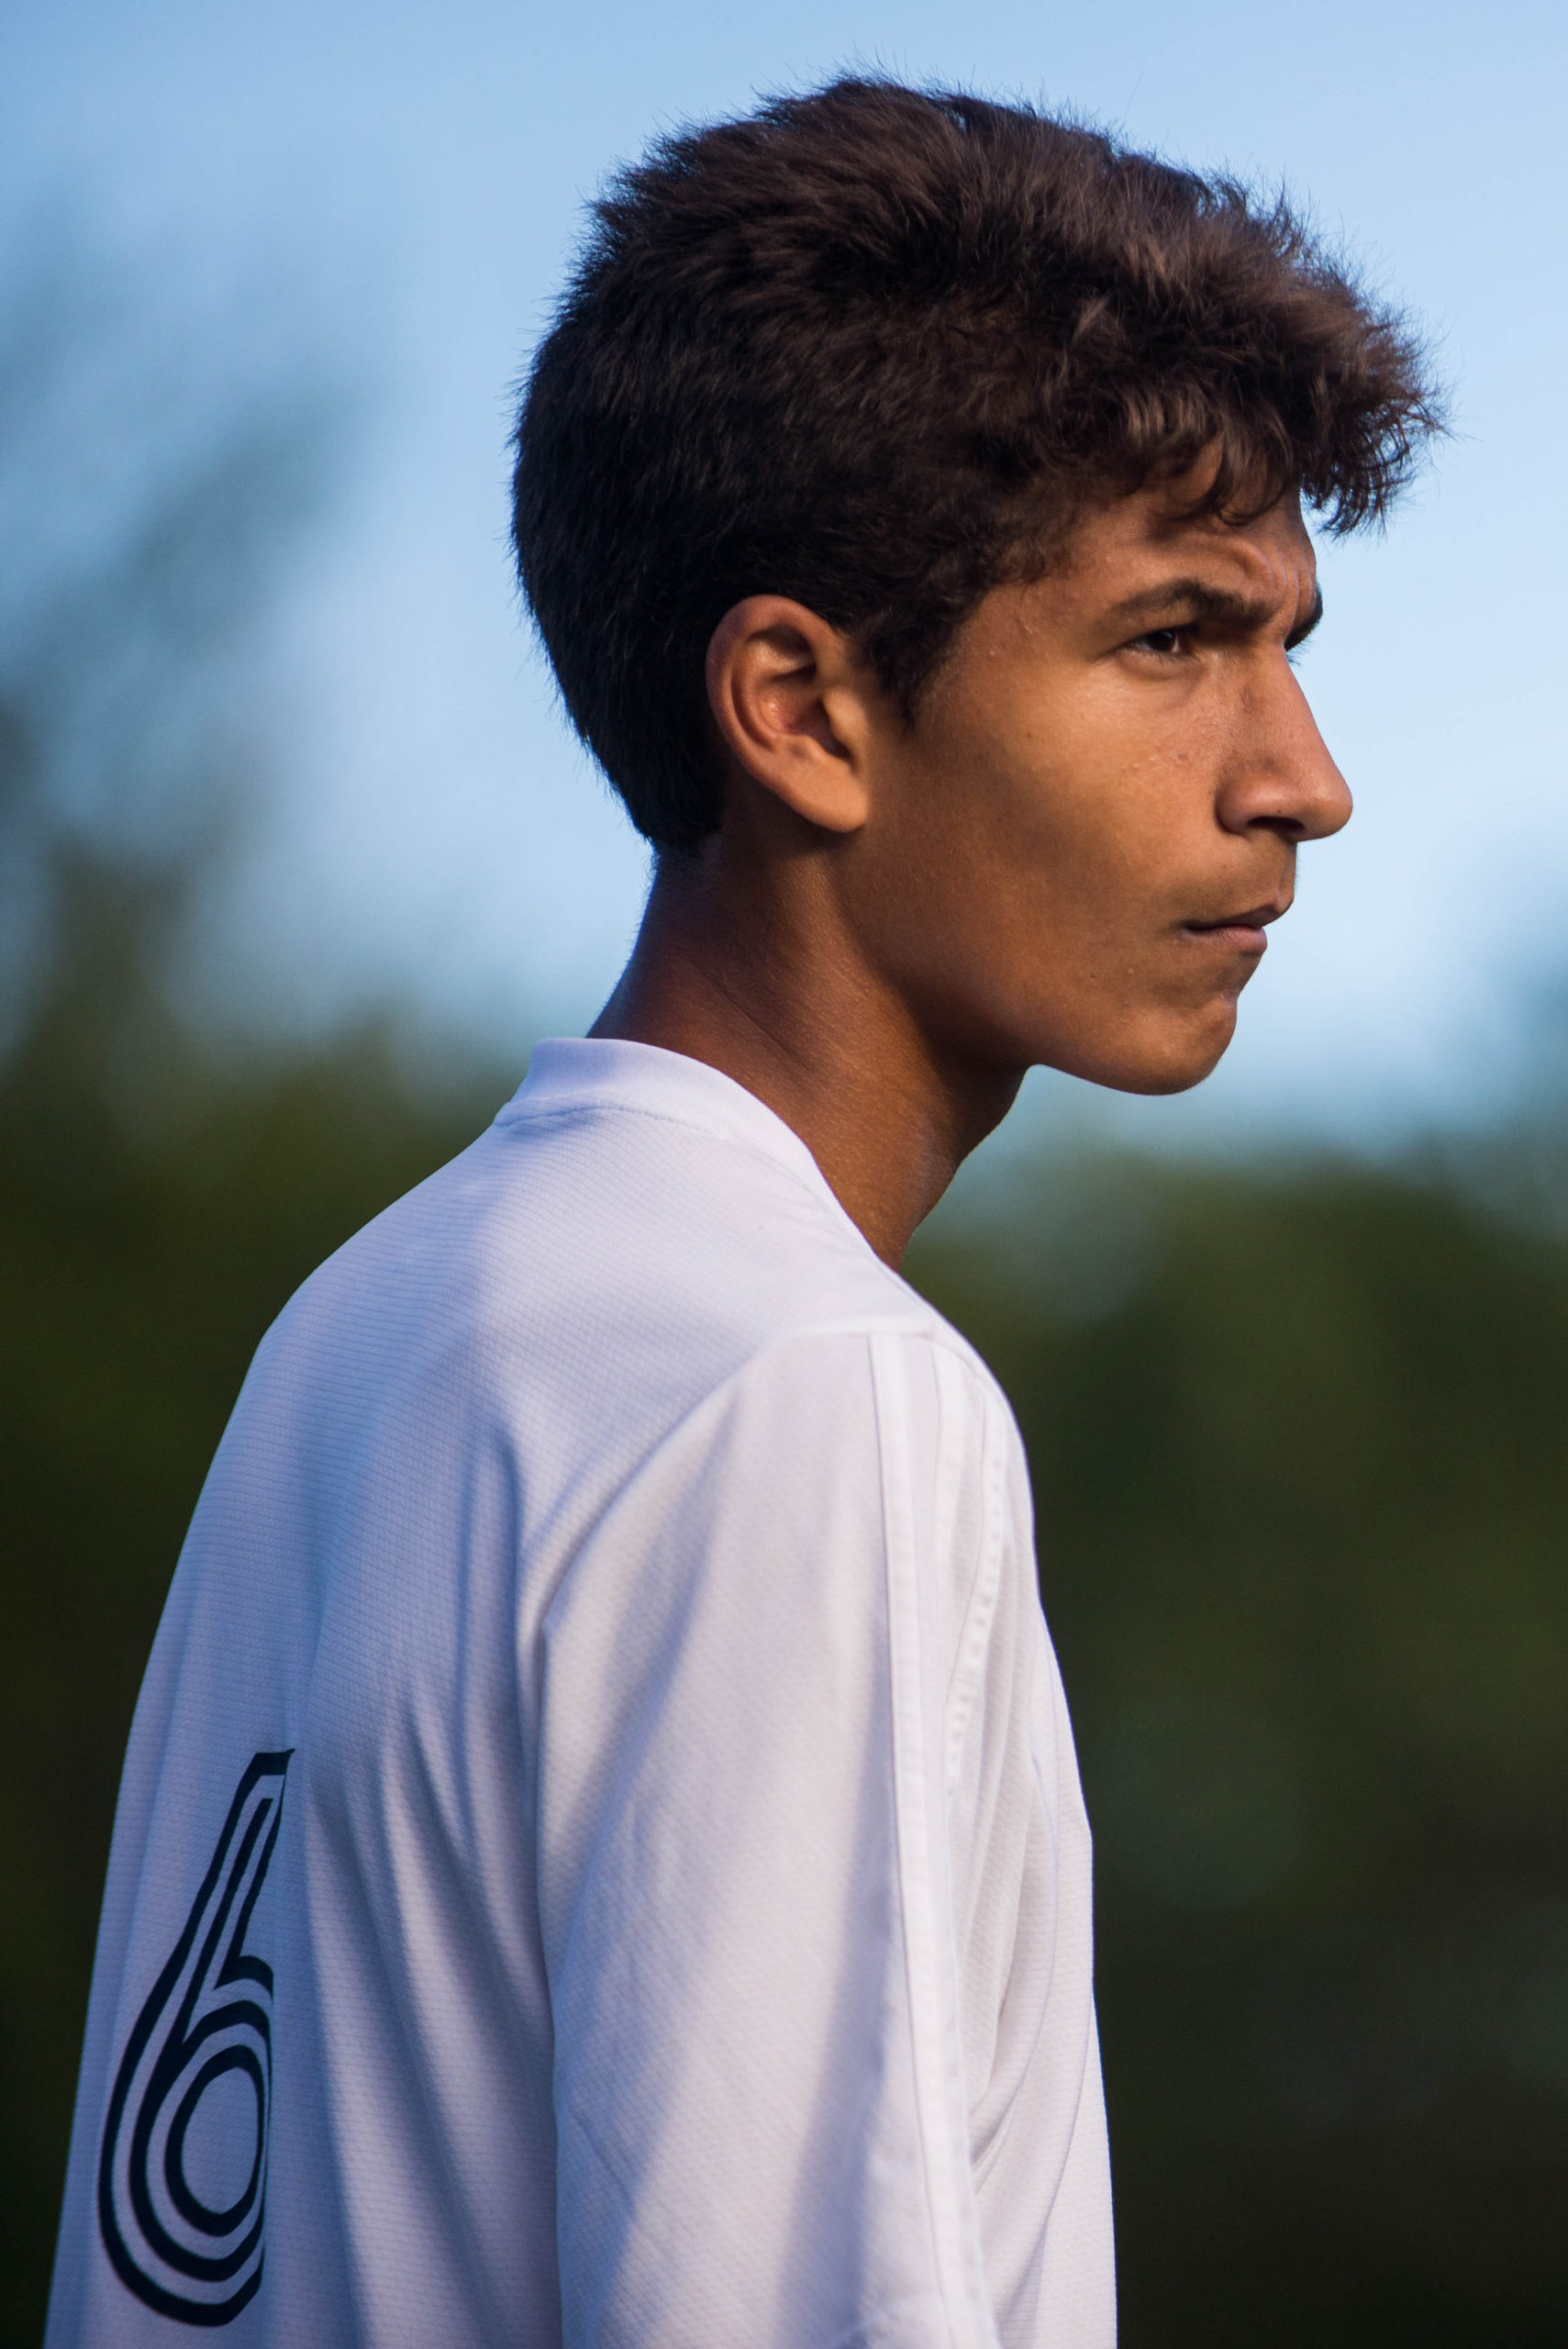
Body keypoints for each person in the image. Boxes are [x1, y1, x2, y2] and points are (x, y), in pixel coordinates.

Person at [46, 77, 1437, 2349]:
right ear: (801, 706)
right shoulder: (809, 1387)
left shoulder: (363, 1329)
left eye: (1287, 640)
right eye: (1174, 638)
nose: (1304, 776)